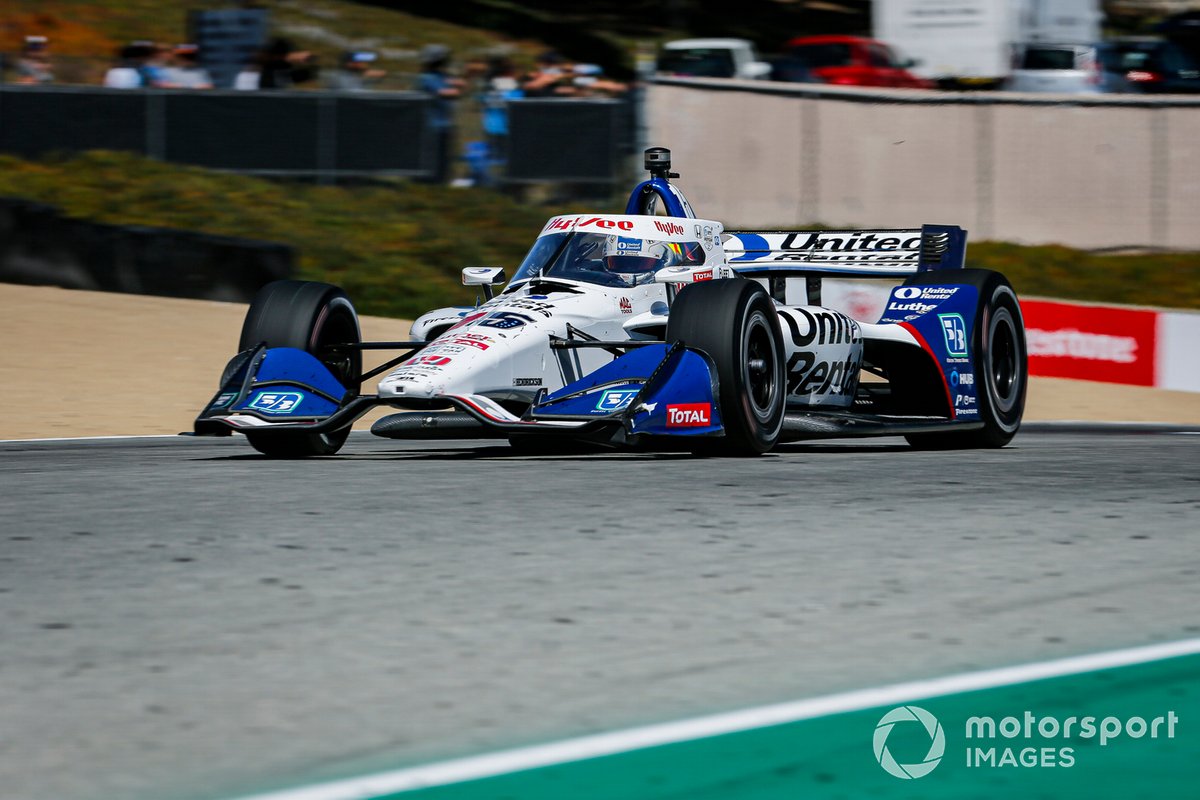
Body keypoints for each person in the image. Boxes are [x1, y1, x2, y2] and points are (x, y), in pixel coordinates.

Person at [417, 44, 464, 183]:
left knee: (445, 156)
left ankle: (442, 180)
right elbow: (447, 93)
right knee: (433, 156)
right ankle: (430, 182)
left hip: (445, 123)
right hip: (432, 125)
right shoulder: (426, 78)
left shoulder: (440, 76)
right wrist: (456, 88)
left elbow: (457, 83)